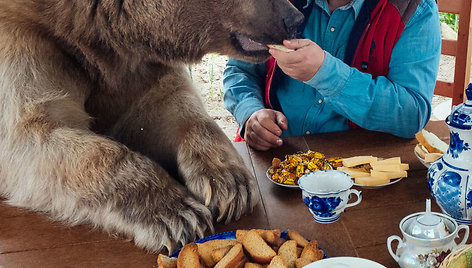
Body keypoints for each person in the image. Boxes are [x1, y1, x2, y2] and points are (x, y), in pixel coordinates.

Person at [223, 0, 441, 151]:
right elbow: (240, 71)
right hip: (272, 157)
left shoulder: (413, 8)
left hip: (358, 169)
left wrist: (325, 73)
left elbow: (413, 113)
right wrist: (251, 114)